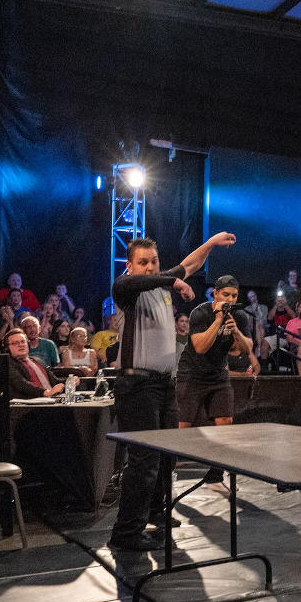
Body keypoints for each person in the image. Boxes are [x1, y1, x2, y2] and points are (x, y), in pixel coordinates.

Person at [108, 233, 236, 552]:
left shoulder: (163, 286)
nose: (150, 268)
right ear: (130, 265)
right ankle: (125, 532)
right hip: (136, 384)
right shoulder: (125, 288)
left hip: (164, 384)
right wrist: (174, 280)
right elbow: (165, 276)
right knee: (143, 459)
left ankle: (155, 511)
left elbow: (190, 264)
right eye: (143, 263)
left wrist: (210, 243)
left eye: (154, 262)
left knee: (167, 455)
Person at [176, 274, 252, 485]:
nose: (229, 299)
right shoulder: (199, 313)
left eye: (234, 296)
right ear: (215, 294)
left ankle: (216, 472)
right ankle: (166, 471)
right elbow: (200, 347)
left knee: (225, 423)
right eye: (225, 294)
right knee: (182, 425)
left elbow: (246, 350)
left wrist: (235, 330)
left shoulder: (240, 317)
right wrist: (218, 320)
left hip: (218, 374)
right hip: (192, 373)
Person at [6, 328, 65, 399]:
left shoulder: (37, 360)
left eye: (23, 341)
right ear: (7, 348)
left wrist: (70, 382)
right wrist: (47, 392)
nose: (21, 345)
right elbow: (21, 384)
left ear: (28, 344)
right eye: (15, 343)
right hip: (31, 405)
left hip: (51, 400)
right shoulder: (8, 363)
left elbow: (54, 381)